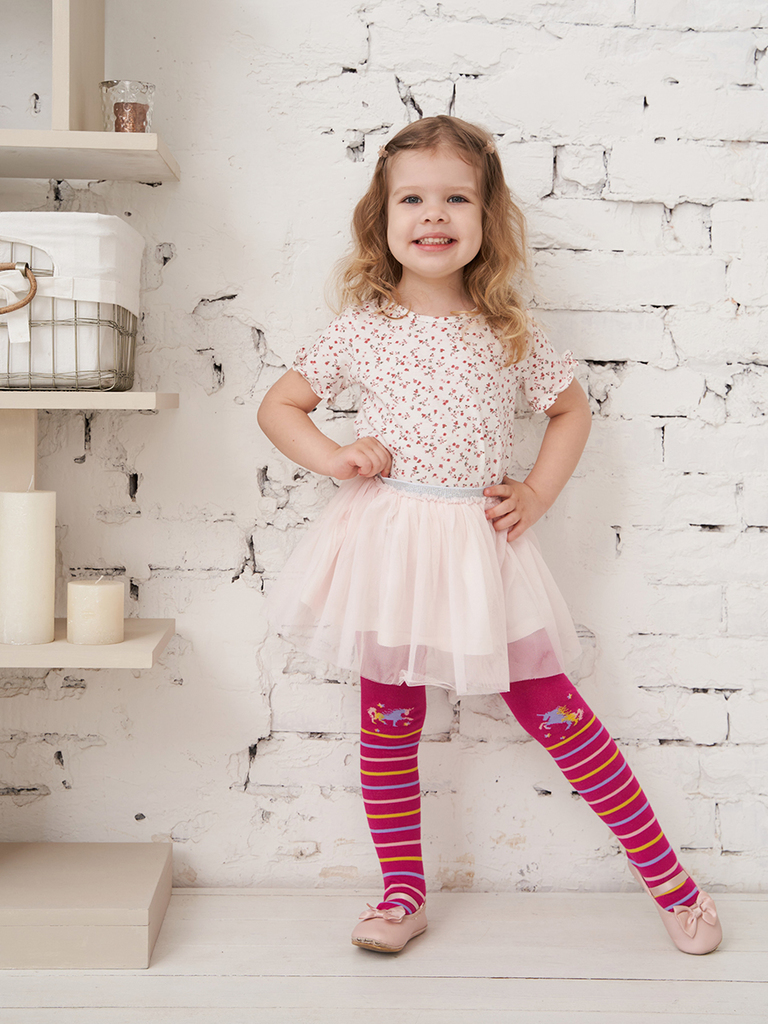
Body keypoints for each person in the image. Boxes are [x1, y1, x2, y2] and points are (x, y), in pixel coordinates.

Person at [257, 115, 722, 957]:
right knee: (388, 721)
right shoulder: (362, 326)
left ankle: (671, 882)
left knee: (559, 714)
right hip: (388, 546)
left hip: (481, 549)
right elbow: (280, 405)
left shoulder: (509, 330)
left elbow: (571, 411)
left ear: (486, 216)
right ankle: (402, 893)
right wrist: (335, 456)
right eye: (412, 199)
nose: (433, 215)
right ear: (383, 217)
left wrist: (537, 492)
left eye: (457, 199)